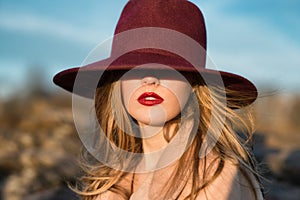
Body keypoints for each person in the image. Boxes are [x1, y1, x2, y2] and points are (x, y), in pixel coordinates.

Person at [53, 0, 264, 199]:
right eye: (133, 67)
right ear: (117, 82)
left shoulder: (216, 176)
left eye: (169, 68)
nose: (149, 79)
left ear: (194, 84)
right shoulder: (111, 179)